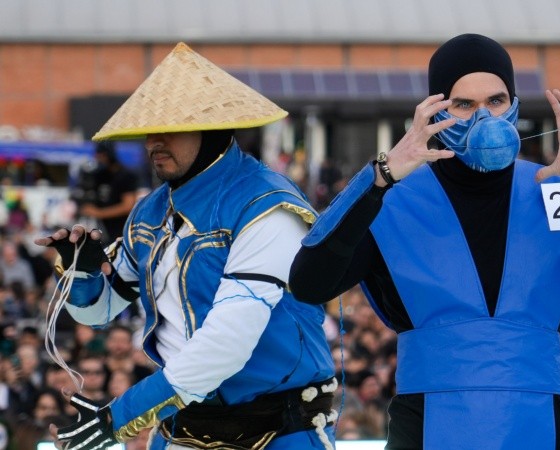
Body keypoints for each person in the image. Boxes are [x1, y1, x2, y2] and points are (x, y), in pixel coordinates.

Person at [289, 33, 560, 449]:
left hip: (538, 418)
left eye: (496, 101)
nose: (483, 117)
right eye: (463, 105)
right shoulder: (393, 200)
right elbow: (308, 283)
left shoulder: (556, 190)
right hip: (426, 421)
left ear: (514, 105)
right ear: (435, 112)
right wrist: (378, 178)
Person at [35, 42, 336, 450]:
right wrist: (83, 272)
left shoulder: (268, 208)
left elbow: (224, 345)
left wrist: (119, 416)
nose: (153, 142)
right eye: (148, 129)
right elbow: (99, 312)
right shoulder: (150, 210)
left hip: (279, 432)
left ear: (212, 128)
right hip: (182, 426)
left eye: (170, 127)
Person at [77, 141, 139, 241]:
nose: (99, 159)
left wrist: (99, 213)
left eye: (102, 156)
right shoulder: (99, 175)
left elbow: (128, 206)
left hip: (120, 228)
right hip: (100, 228)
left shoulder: (125, 175)